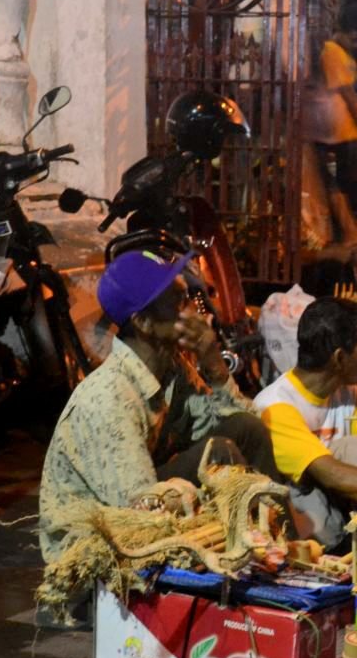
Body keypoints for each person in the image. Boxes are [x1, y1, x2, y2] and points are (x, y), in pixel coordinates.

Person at [38, 252, 280, 624]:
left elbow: (237, 424)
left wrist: (213, 360)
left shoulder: (171, 367)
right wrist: (212, 503)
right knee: (221, 452)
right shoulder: (109, 397)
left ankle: (276, 554)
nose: (194, 312)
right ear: (144, 322)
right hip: (97, 548)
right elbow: (140, 512)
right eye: (179, 303)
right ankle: (251, 561)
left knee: (244, 431)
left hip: (144, 500)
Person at [254, 296, 357, 545]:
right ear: (339, 358)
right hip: (310, 524)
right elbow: (331, 475)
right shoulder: (276, 407)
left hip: (354, 506)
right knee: (348, 449)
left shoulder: (348, 395)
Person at [310, 6, 357, 237]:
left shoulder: (342, 52)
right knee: (351, 182)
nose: (356, 45)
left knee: (353, 181)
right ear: (340, 30)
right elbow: (348, 92)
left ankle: (354, 231)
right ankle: (352, 232)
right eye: (353, 39)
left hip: (342, 128)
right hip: (337, 129)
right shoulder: (332, 51)